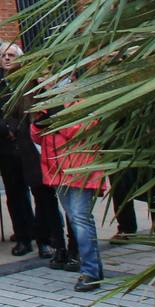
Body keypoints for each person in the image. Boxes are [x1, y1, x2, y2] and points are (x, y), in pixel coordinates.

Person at [0, 43, 54, 258]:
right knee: (15, 194)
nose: (6, 58)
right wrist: (1, 127)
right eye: (4, 55)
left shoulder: (30, 81)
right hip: (7, 143)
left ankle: (45, 237)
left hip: (30, 143)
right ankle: (23, 237)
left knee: (40, 192)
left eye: (11, 55)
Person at [36, 87, 107, 293]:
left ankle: (90, 272)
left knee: (80, 219)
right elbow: (40, 137)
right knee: (78, 219)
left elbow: (84, 129)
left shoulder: (81, 96)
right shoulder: (47, 100)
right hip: (57, 169)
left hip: (79, 168)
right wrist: (38, 124)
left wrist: (56, 116)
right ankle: (94, 268)